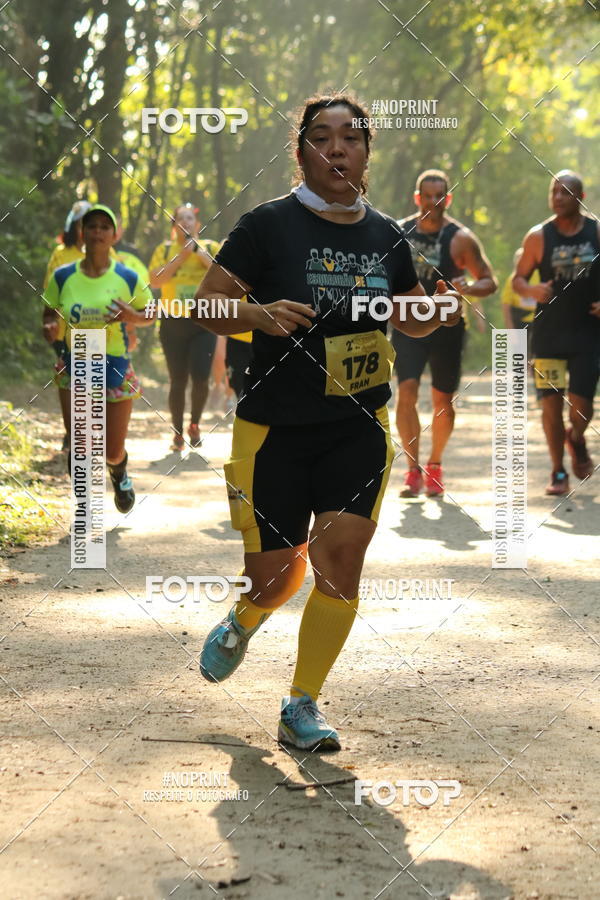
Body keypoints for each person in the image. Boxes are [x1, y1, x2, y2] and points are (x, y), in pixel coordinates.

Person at [194, 95, 461, 751]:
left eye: (351, 137)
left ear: (368, 152)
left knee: (339, 561)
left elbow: (410, 314)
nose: (337, 148)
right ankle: (245, 616)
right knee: (278, 573)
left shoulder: (389, 238)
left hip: (356, 425)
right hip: (273, 428)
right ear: (302, 152)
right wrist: (260, 317)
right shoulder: (267, 226)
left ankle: (301, 703)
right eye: (321, 138)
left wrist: (440, 312)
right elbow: (206, 306)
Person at [42, 204, 154, 512]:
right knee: (80, 439)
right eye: (91, 226)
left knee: (112, 449)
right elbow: (49, 312)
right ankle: (85, 503)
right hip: (75, 359)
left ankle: (118, 471)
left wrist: (132, 316)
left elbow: (151, 312)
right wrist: (50, 328)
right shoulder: (63, 276)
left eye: (105, 227)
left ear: (114, 235)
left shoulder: (128, 277)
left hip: (114, 362)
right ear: (82, 233)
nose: (97, 232)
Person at [393, 169, 497, 498]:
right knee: (406, 393)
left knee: (442, 400)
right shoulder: (399, 232)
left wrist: (469, 287)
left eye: (440, 196)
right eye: (427, 196)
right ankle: (412, 470)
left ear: (447, 199)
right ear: (417, 197)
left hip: (447, 327)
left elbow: (489, 281)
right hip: (407, 323)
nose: (433, 202)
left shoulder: (461, 238)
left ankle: (434, 465)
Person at [513, 170, 600, 495]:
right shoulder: (538, 236)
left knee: (582, 406)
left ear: (581, 197)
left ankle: (576, 437)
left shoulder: (596, 232)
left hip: (587, 333)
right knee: (550, 405)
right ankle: (557, 471)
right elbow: (517, 279)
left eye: (566, 192)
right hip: (548, 333)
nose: (559, 197)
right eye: (555, 191)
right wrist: (532, 289)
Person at [149, 204, 220, 450]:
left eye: (190, 219)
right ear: (174, 227)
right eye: (180, 219)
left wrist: (199, 253)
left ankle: (195, 424)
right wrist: (182, 255)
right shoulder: (165, 250)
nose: (186, 223)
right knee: (177, 380)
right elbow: (156, 280)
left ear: (197, 225)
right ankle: (178, 432)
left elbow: (225, 277)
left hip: (204, 322)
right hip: (172, 323)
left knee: (201, 379)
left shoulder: (211, 247)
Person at [43, 200, 91, 449]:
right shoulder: (61, 255)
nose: (90, 229)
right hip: (65, 331)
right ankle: (72, 430)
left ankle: (82, 430)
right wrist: (50, 323)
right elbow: (49, 295)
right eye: (84, 223)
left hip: (97, 330)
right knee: (71, 377)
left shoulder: (105, 252)